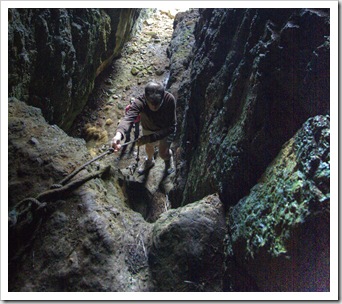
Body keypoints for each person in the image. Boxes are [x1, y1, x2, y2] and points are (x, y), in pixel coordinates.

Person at [111, 81, 176, 175]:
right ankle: (150, 161)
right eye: (151, 105)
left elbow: (172, 127)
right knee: (149, 147)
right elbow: (128, 118)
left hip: (165, 130)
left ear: (163, 97)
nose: (154, 107)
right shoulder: (140, 101)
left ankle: (168, 159)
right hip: (148, 129)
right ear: (145, 98)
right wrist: (118, 134)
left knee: (163, 153)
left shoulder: (169, 99)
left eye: (157, 105)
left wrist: (150, 138)